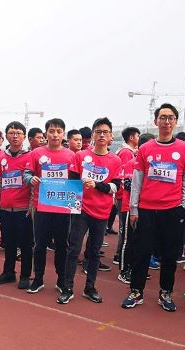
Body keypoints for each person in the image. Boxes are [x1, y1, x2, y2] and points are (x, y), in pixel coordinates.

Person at [122, 103, 185, 312]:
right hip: (146, 210)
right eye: (163, 117)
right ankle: (136, 291)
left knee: (169, 255)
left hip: (173, 211)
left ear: (175, 121)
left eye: (170, 118)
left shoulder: (184, 149)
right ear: (156, 121)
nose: (166, 121)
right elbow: (137, 181)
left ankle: (165, 292)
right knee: (141, 253)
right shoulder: (145, 149)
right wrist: (134, 209)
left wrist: (183, 205)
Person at [57, 117, 122, 304]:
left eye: (105, 132)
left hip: (102, 212)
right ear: (93, 135)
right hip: (81, 210)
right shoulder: (80, 156)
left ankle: (90, 287)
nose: (101, 135)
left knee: (94, 252)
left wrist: (97, 185)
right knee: (73, 249)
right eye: (98, 132)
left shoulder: (115, 160)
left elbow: (115, 187)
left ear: (110, 136)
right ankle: (67, 288)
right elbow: (72, 182)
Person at [24, 118, 75, 294]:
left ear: (63, 134)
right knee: (39, 245)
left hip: (63, 207)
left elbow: (76, 180)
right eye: (51, 131)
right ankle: (38, 279)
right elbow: (27, 174)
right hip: (42, 206)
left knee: (62, 245)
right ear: (46, 133)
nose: (55, 135)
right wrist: (30, 179)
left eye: (58, 131)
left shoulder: (71, 155)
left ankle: (61, 280)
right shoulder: (36, 153)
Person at [0, 121, 33, 288]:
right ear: (6, 136)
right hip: (6, 208)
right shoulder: (1, 158)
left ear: (24, 136)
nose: (15, 136)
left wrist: (32, 205)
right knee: (9, 243)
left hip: (24, 209)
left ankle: (25, 275)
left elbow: (33, 184)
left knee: (26, 244)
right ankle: (9, 273)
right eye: (11, 133)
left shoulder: (30, 157)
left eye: (18, 133)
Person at [112, 127, 140, 262]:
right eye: (137, 136)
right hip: (123, 195)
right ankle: (119, 256)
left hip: (123, 195)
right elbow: (124, 176)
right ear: (131, 138)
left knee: (126, 227)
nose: (138, 139)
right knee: (125, 228)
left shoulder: (126, 151)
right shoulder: (126, 153)